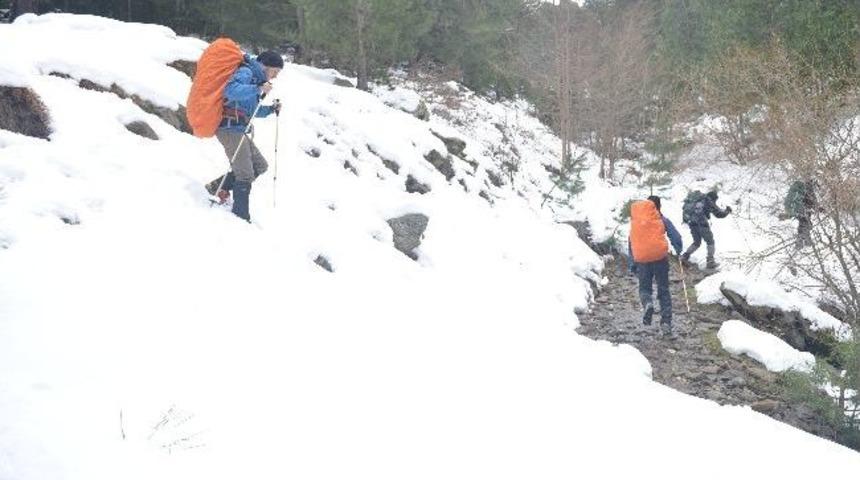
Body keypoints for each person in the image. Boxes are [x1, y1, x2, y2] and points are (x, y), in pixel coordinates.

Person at [212, 51, 283, 222]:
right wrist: (257, 88)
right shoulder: (246, 72)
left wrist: (270, 109)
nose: (275, 76)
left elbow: (251, 110)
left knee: (260, 165)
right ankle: (240, 216)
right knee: (245, 174)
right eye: (275, 71)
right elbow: (231, 91)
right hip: (229, 128)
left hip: (238, 128)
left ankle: (216, 188)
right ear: (264, 65)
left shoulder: (256, 79)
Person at [629, 196, 683, 335]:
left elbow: (632, 242)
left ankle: (648, 303)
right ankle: (666, 322)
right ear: (658, 206)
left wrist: (633, 263)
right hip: (660, 259)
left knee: (644, 289)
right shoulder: (662, 220)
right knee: (663, 289)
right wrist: (678, 249)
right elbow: (676, 237)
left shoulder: (637, 222)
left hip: (642, 260)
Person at [680, 189, 731, 269]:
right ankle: (710, 262)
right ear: (713, 198)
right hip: (702, 224)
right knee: (710, 242)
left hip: (692, 223)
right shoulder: (707, 200)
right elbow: (719, 214)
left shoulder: (697, 200)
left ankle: (684, 256)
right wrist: (727, 211)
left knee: (697, 242)